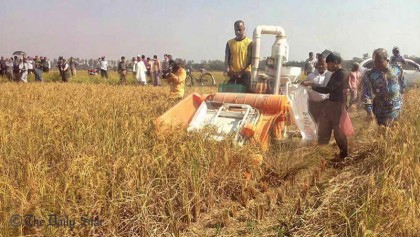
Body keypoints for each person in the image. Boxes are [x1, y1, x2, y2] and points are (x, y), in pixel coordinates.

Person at [302, 52, 349, 161]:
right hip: (332, 104)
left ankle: (344, 154)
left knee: (338, 131)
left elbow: (328, 89)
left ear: (336, 63)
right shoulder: (336, 74)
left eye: (329, 64)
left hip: (337, 105)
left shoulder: (341, 74)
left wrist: (311, 85)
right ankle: (322, 151)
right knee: (325, 127)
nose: (327, 66)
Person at [362, 48, 406, 127]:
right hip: (380, 111)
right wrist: (369, 111)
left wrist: (397, 97)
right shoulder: (370, 74)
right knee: (382, 134)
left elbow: (402, 85)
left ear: (387, 60)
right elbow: (366, 94)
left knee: (396, 134)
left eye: (380, 61)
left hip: (395, 109)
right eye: (375, 61)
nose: (376, 64)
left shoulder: (397, 69)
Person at [301, 55, 332, 125]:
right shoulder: (311, 76)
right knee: (312, 121)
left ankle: (321, 135)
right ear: (316, 65)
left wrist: (312, 84)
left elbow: (326, 88)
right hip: (313, 103)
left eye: (322, 64)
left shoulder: (330, 75)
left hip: (325, 103)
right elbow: (305, 87)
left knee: (323, 122)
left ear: (326, 65)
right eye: (319, 64)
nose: (321, 66)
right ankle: (313, 135)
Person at [225, 20, 252, 92]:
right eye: (236, 30)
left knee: (245, 95)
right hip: (233, 73)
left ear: (244, 29)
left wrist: (241, 72)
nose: (238, 32)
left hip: (245, 73)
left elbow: (250, 60)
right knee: (229, 94)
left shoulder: (249, 42)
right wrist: (229, 69)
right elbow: (227, 58)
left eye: (240, 30)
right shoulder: (229, 43)